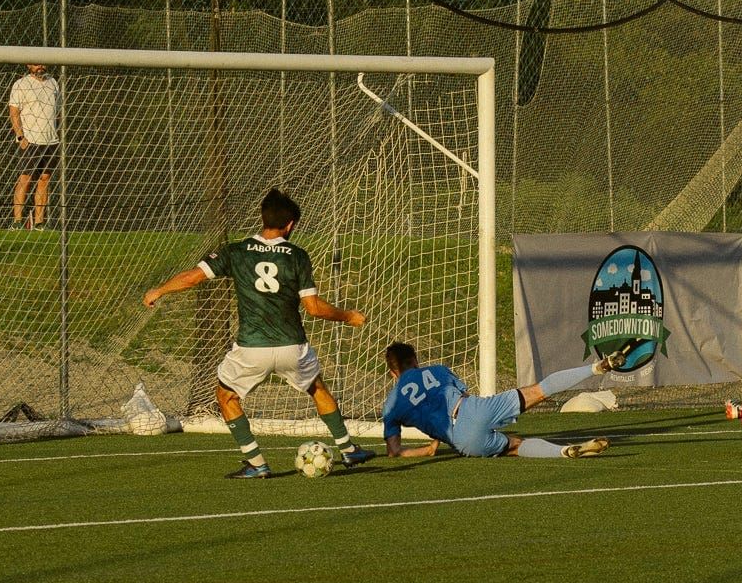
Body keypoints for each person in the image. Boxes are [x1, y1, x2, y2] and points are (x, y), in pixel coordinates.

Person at [142, 188, 376, 479]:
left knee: (226, 396)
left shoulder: (236, 251)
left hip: (252, 349)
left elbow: (192, 278)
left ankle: (256, 462)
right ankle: (349, 449)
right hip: (292, 347)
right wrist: (349, 316)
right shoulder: (297, 255)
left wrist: (159, 290)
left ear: (262, 218)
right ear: (290, 224)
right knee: (317, 388)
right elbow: (314, 308)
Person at [381, 341, 626, 460]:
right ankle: (595, 368)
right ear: (415, 361)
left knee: (515, 446)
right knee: (539, 391)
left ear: (393, 373)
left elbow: (394, 451)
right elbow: (459, 396)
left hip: (463, 441)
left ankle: (561, 452)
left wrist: (427, 449)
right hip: (472, 409)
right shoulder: (436, 371)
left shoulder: (391, 407)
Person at [8, 63, 60, 230]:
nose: (40, 67)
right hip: (30, 140)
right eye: (36, 64)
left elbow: (57, 112)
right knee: (25, 179)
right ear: (29, 65)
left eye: (42, 63)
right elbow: (14, 112)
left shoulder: (53, 82)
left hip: (51, 141)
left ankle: (39, 223)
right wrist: (20, 136)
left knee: (44, 179)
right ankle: (17, 221)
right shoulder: (21, 84)